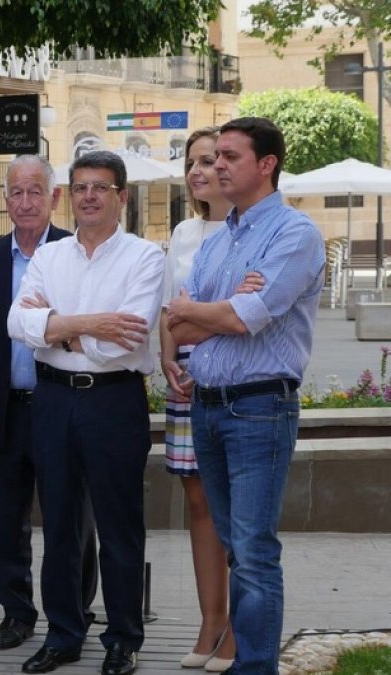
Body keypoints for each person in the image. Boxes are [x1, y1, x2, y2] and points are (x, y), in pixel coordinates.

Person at [168, 117, 325, 675]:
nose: (215, 167)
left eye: (229, 157)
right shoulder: (219, 240)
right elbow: (178, 329)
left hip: (259, 407)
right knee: (236, 545)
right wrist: (214, 310)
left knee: (254, 553)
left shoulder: (293, 234)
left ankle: (254, 667)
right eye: (213, 159)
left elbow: (243, 318)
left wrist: (213, 310)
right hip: (208, 406)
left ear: (267, 165)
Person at [7, 150, 164, 675]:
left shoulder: (145, 258)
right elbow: (16, 323)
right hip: (52, 400)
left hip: (114, 401)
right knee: (59, 524)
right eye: (80, 187)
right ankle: (64, 633)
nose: (89, 196)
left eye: (100, 187)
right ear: (68, 196)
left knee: (119, 525)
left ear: (121, 196)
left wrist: (58, 325)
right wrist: (90, 323)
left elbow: (130, 338)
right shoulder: (49, 257)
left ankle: (122, 638)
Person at [0, 154, 98, 651]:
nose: (24, 202)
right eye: (15, 192)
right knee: (3, 520)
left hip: (60, 405)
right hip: (4, 407)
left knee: (70, 518)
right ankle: (16, 612)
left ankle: (75, 611)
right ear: (5, 200)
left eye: (34, 191)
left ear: (54, 197)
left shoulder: (75, 251)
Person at [159, 128, 245, 671]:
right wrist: (168, 358)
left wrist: (193, 325)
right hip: (184, 378)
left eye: (210, 160)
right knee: (198, 504)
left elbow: (235, 315)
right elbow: (172, 308)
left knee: (236, 509)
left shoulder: (248, 231)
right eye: (192, 162)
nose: (198, 171)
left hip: (233, 378)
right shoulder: (184, 232)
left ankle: (237, 628)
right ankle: (209, 620)